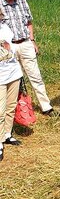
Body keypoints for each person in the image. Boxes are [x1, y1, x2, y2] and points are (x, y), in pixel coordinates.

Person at [0, 0, 53, 115]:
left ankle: (46, 106)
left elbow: (29, 22)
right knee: (12, 79)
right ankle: (15, 109)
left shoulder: (22, 0)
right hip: (7, 48)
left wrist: (32, 40)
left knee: (35, 75)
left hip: (25, 43)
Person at [0, 10, 23, 161]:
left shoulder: (5, 27)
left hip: (13, 72)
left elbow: (13, 46)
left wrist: (10, 48)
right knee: (0, 110)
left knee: (11, 106)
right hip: (0, 76)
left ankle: (7, 134)